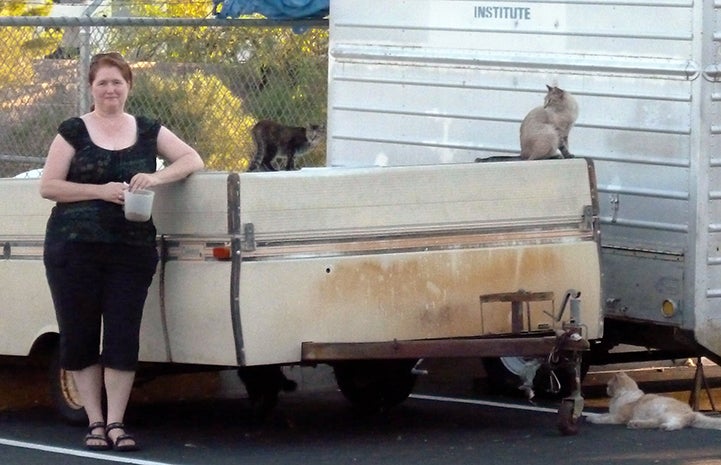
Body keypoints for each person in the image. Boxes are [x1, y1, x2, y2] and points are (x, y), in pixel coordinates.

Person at [40, 52, 204, 452]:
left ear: (128, 86)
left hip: (130, 249)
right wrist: (100, 190)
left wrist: (156, 176)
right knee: (79, 335)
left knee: (122, 335)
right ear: (91, 88)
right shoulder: (73, 131)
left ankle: (117, 423)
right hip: (74, 247)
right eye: (103, 83)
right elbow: (49, 186)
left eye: (118, 82)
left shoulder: (147, 129)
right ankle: (93, 421)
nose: (110, 90)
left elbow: (191, 158)